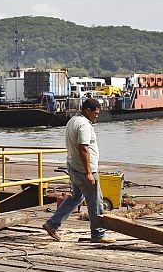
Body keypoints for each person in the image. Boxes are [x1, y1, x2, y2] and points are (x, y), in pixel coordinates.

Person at [42, 98, 115, 243]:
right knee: (95, 201)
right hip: (84, 169)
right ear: (88, 110)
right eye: (96, 113)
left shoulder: (73, 120)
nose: (97, 116)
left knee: (77, 197)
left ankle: (52, 224)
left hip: (73, 166)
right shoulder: (84, 125)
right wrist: (88, 172)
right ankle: (98, 233)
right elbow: (83, 148)